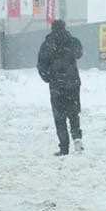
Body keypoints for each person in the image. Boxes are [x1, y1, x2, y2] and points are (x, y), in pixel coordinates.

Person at [37, 19, 84, 156]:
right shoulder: (73, 41)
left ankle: (64, 148)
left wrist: (49, 78)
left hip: (57, 85)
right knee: (73, 113)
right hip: (73, 84)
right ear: (65, 27)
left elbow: (41, 66)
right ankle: (77, 138)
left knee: (60, 117)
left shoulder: (47, 45)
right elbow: (79, 53)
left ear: (52, 29)